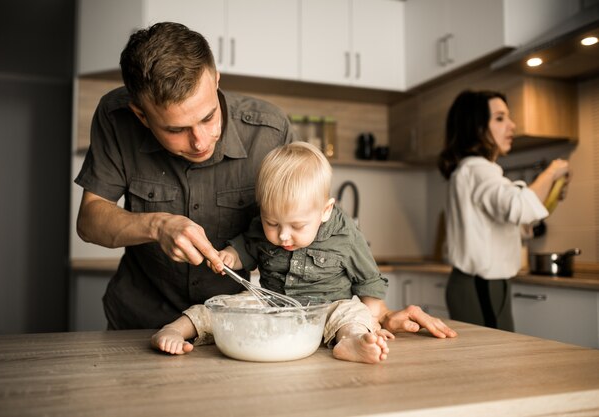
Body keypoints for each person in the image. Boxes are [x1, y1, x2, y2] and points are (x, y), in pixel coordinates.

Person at [75, 21, 458, 337]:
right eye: (177, 129)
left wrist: (374, 316)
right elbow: (90, 220)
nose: (200, 140)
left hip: (235, 325)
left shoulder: (269, 130)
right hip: (137, 321)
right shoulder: (115, 117)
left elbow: (320, 243)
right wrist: (157, 225)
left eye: (209, 117)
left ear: (217, 80)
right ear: (142, 116)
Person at [152, 142, 456, 363]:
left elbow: (369, 279)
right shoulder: (262, 225)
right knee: (224, 305)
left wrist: (376, 316)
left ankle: (351, 343)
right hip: (274, 306)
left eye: (297, 226)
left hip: (327, 310)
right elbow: (247, 244)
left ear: (325, 211)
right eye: (273, 223)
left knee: (353, 314)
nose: (283, 235)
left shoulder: (344, 234)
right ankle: (177, 328)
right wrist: (231, 256)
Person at [438, 90, 570, 331]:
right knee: (490, 363)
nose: (512, 125)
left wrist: (549, 196)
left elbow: (511, 221)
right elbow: (518, 207)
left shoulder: (474, 170)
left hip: (481, 285)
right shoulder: (479, 169)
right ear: (477, 128)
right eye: (499, 118)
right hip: (482, 285)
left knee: (487, 363)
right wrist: (551, 172)